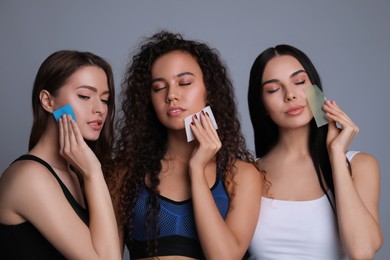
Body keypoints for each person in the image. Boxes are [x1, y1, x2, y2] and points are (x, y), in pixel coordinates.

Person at [107, 31, 262, 260]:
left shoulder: (241, 175)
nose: (171, 95)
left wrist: (197, 170)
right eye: (159, 87)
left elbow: (225, 257)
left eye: (185, 83)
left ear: (209, 90)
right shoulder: (125, 174)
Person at [247, 44, 383, 259]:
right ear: (262, 104)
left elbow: (362, 252)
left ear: (316, 90)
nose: (290, 94)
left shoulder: (360, 165)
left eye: (300, 82)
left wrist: (336, 154)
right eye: (273, 89)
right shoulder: (247, 173)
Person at [0, 50, 121, 259]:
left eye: (105, 99)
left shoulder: (75, 174)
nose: (100, 109)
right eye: (84, 96)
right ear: (48, 101)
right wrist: (93, 171)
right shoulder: (29, 177)